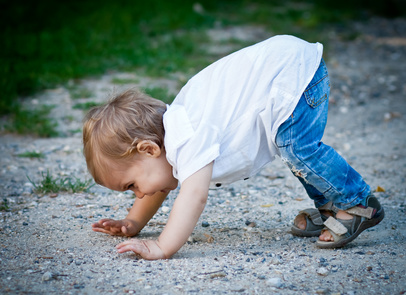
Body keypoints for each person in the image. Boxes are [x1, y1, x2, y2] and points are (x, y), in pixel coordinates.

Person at [83, 35, 384, 260]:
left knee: (297, 149)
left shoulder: (185, 137)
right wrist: (133, 222)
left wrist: (162, 246)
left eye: (132, 185)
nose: (138, 194)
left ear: (149, 149)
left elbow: (193, 196)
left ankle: (356, 202)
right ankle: (331, 205)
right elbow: (158, 186)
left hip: (293, 74)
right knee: (293, 151)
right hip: (287, 68)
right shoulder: (170, 142)